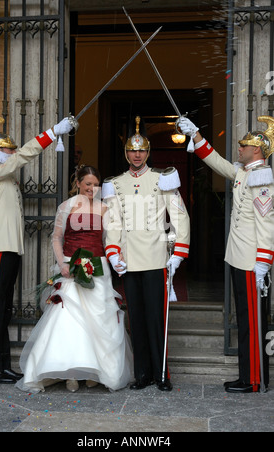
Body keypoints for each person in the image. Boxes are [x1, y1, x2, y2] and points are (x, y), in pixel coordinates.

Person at [0, 114, 78, 384]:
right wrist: (52, 133)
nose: (12, 153)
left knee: (4, 310)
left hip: (8, 248)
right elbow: (22, 157)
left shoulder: (6, 178)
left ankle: (1, 365)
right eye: (8, 149)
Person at [16, 165, 134, 393]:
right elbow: (57, 238)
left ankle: (96, 372)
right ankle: (70, 372)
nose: (92, 188)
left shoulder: (105, 209)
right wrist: (63, 264)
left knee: (101, 318)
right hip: (70, 265)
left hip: (98, 266)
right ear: (78, 183)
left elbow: (111, 239)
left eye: (96, 184)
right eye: (88, 183)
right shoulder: (66, 207)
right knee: (67, 319)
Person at [178, 115, 274, 393]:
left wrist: (263, 263)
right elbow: (217, 162)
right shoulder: (244, 173)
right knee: (245, 320)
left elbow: (267, 226)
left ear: (256, 149)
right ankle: (246, 375)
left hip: (250, 262)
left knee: (252, 323)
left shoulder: (262, 180)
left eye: (244, 145)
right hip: (238, 258)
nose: (239, 149)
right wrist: (196, 135)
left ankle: (254, 380)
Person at [102, 116, 190, 392]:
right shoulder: (115, 183)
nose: (136, 154)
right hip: (129, 261)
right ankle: (142, 374)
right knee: (136, 320)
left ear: (147, 153)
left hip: (155, 259)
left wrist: (178, 253)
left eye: (141, 150)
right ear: (126, 153)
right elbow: (113, 222)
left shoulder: (162, 178)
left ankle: (162, 374)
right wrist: (113, 252)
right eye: (132, 150)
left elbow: (180, 217)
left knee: (156, 319)